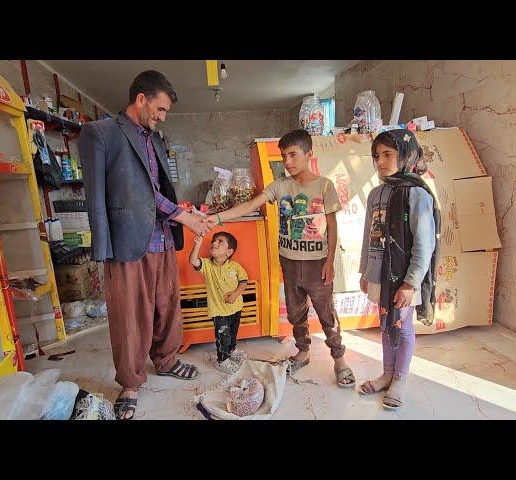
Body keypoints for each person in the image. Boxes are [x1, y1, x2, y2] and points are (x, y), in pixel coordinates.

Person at [79, 70, 215, 420]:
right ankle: (129, 382)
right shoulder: (101, 133)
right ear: (141, 99)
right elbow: (100, 195)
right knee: (130, 316)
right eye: (161, 108)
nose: (162, 116)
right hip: (126, 240)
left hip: (162, 237)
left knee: (167, 306)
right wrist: (101, 247)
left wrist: (182, 214)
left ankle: (167, 360)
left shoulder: (155, 138)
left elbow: (160, 188)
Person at [205, 129, 356, 388]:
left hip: (317, 263)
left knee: (326, 314)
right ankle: (303, 352)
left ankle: (339, 359)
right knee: (296, 312)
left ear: (309, 154)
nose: (288, 162)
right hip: (289, 261)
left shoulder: (324, 186)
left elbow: (332, 228)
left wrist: (330, 261)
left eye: (293, 155)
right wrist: (217, 218)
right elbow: (250, 206)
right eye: (284, 156)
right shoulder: (279, 187)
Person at [358, 129, 438, 410]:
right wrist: (365, 272)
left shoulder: (417, 195)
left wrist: (411, 283)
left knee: (402, 326)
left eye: (388, 155)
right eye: (377, 156)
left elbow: (424, 244)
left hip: (404, 278)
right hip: (379, 274)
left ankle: (400, 380)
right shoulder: (375, 194)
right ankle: (387, 373)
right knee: (384, 323)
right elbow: (369, 235)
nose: (381, 161)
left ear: (407, 156)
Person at [189, 231, 248, 374]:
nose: (214, 243)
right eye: (213, 241)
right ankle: (222, 360)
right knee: (223, 337)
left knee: (233, 333)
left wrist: (235, 294)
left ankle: (232, 350)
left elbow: (244, 281)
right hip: (219, 311)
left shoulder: (235, 266)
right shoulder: (207, 265)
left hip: (236, 308)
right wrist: (197, 244)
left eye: (220, 241)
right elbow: (193, 261)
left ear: (229, 252)